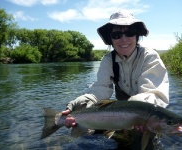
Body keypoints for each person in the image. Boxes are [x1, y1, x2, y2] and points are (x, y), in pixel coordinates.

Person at [62, 9, 169, 150]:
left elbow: (154, 94)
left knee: (142, 141)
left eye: (129, 32)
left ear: (137, 35)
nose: (123, 39)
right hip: (121, 113)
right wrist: (82, 102)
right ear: (111, 39)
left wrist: (137, 116)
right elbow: (101, 88)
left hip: (144, 110)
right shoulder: (108, 60)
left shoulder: (149, 57)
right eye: (117, 35)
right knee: (90, 133)